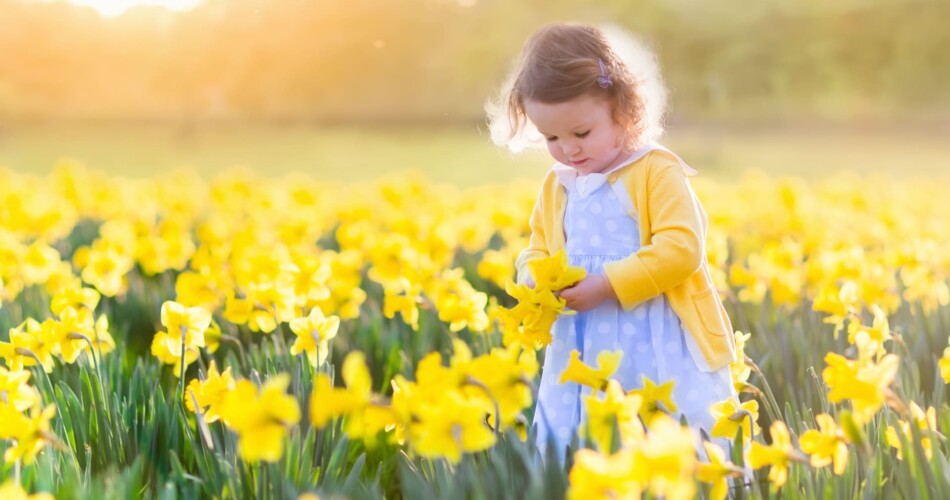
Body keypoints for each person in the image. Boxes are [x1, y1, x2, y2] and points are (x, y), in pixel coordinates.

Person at [486, 23, 738, 460]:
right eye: (551, 138)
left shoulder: (655, 170)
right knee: (585, 439)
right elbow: (538, 247)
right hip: (579, 341)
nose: (568, 149)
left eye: (581, 133)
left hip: (657, 333)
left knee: (662, 435)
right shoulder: (558, 184)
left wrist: (606, 286)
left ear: (624, 111)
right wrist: (533, 278)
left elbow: (682, 250)